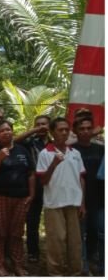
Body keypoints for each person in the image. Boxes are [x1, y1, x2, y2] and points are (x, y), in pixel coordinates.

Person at [0, 119, 34, 277]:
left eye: (8, 129)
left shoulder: (22, 150)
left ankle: (18, 264)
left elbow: (31, 174)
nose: (6, 132)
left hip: (20, 197)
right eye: (2, 131)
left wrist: (32, 194)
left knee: (17, 233)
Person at [37, 116, 85, 276]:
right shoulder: (45, 153)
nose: (64, 133)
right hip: (54, 203)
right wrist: (54, 164)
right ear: (52, 132)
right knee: (56, 241)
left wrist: (82, 203)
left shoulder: (75, 153)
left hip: (73, 202)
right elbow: (42, 180)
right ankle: (56, 273)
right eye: (60, 130)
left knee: (75, 242)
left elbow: (81, 179)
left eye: (66, 130)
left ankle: (75, 272)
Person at [14, 115, 51, 264]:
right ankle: (33, 252)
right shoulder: (29, 142)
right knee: (32, 220)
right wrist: (34, 131)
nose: (42, 127)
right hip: (34, 186)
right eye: (38, 124)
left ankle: (56, 253)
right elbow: (13, 141)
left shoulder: (55, 143)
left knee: (54, 221)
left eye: (44, 125)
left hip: (53, 186)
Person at [71, 115, 103, 273]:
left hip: (99, 199)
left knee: (97, 231)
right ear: (75, 131)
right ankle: (82, 266)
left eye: (88, 128)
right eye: (81, 128)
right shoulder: (71, 150)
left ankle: (93, 259)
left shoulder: (101, 149)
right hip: (78, 199)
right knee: (80, 234)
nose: (85, 131)